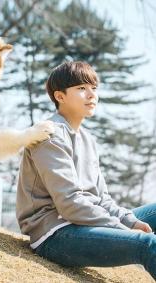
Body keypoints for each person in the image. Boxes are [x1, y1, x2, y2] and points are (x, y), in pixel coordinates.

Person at [16, 61, 156, 279]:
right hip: (55, 234)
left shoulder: (88, 139)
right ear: (59, 96)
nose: (91, 95)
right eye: (81, 89)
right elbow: (70, 204)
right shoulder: (48, 135)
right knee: (148, 244)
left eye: (94, 88)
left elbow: (102, 199)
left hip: (84, 223)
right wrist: (123, 230)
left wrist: (131, 221)